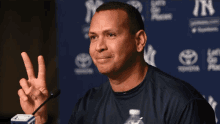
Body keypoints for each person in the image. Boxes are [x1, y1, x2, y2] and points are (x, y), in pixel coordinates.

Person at [18, 1, 216, 124]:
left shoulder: (182, 103)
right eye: (93, 37)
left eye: (110, 35)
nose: (99, 46)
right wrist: (40, 119)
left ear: (139, 41)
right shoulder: (88, 104)